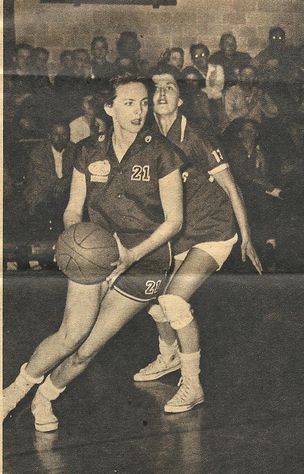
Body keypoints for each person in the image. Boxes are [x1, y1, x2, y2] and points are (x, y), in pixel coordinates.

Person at [3, 75, 184, 431]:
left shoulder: (162, 152)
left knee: (88, 349)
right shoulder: (87, 150)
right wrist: (73, 237)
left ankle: (45, 399)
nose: (139, 110)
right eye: (129, 103)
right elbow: (73, 208)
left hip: (145, 261)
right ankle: (13, 392)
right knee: (72, 334)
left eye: (144, 102)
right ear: (109, 107)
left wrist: (132, 254)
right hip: (96, 251)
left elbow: (174, 221)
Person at [132, 65, 262, 413]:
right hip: (179, 234)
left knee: (174, 301)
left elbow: (233, 189)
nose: (161, 95)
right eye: (156, 88)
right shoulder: (148, 138)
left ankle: (192, 385)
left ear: (180, 98)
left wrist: (247, 238)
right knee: (151, 298)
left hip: (213, 231)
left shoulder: (198, 136)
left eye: (169, 88)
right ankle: (168, 356)